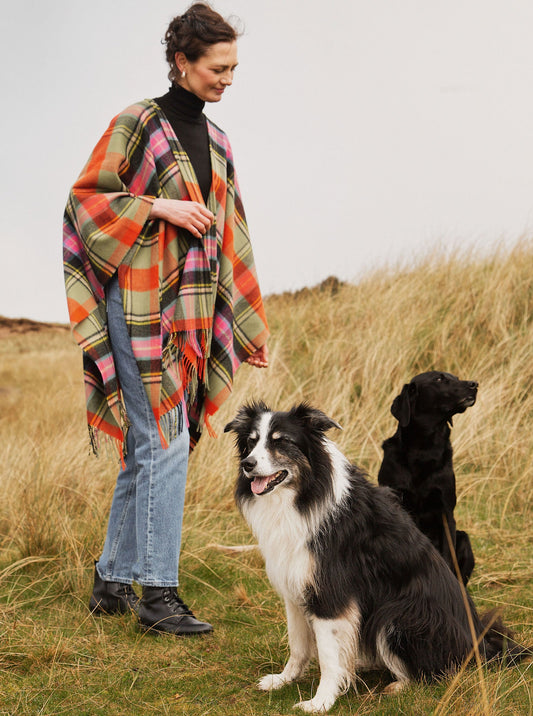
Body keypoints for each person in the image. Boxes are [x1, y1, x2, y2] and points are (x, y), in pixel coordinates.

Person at [63, 2, 269, 636]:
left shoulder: (218, 141)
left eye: (234, 68)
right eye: (218, 67)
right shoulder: (137, 122)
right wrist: (160, 207)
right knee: (165, 443)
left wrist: (247, 324)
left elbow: (231, 229)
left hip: (196, 313)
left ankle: (110, 579)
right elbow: (87, 200)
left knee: (151, 448)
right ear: (183, 63)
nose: (228, 79)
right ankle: (158, 595)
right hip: (141, 305)